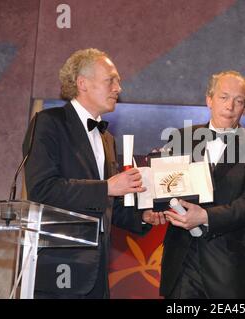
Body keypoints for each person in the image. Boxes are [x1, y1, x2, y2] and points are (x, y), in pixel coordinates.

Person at [23, 48, 157, 298]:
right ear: (82, 83)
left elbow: (105, 205)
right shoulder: (48, 123)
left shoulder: (107, 139)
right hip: (59, 270)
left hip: (97, 273)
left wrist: (142, 217)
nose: (118, 88)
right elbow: (42, 189)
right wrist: (108, 187)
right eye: (111, 80)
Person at [157, 70, 245, 299]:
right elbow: (165, 189)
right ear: (209, 100)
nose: (230, 106)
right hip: (181, 262)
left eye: (238, 100)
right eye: (223, 97)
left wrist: (205, 217)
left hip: (227, 266)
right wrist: (154, 210)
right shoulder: (180, 139)